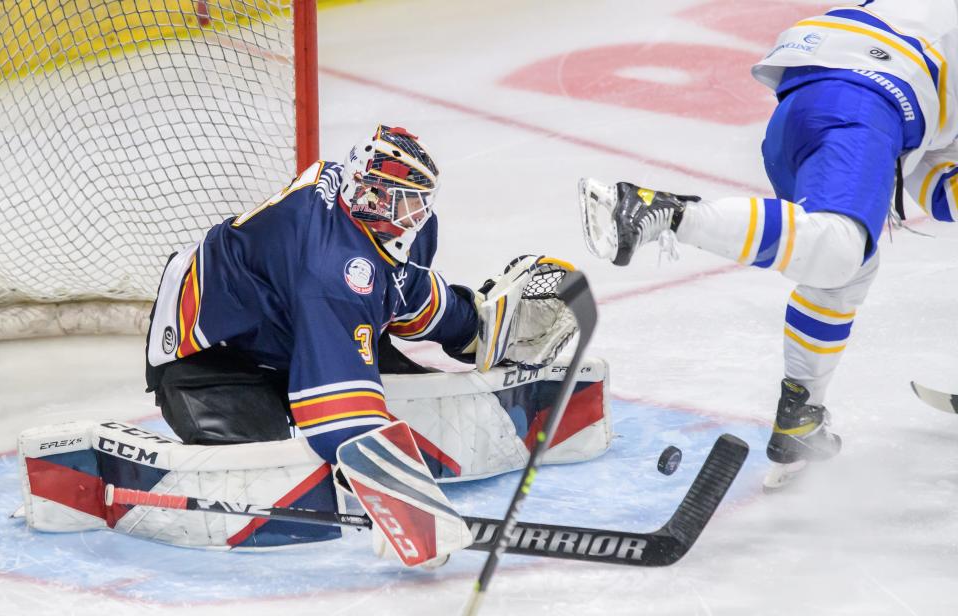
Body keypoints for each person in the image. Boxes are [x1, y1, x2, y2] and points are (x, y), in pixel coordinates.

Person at [144, 124, 576, 564]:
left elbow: (403, 290)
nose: (419, 213)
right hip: (211, 356)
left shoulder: (380, 227)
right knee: (273, 472)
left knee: (375, 373)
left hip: (288, 324)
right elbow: (336, 416)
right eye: (408, 200)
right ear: (374, 196)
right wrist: (407, 511)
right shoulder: (333, 270)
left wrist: (473, 328)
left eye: (422, 199)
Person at [578, 0, 958, 489]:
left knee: (841, 266)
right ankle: (665, 210)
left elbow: (936, 187)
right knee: (841, 246)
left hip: (817, 99)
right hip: (870, 88)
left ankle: (801, 418)